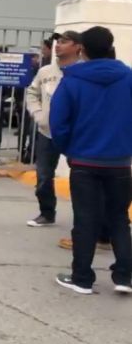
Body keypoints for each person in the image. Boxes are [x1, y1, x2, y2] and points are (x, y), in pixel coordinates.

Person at [50, 26, 132, 296]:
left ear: (82, 50)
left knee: (85, 220)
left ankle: (82, 277)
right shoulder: (128, 78)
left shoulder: (72, 80)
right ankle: (124, 277)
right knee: (119, 218)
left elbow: (58, 122)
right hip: (120, 161)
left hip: (84, 160)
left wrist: (70, 150)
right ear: (111, 47)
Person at [25, 31, 83, 228]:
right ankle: (47, 212)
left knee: (81, 179)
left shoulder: (84, 71)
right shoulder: (45, 72)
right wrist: (38, 114)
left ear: (78, 46)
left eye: (64, 42)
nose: (58, 45)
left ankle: (83, 220)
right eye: (58, 42)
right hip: (47, 132)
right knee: (43, 177)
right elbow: (31, 93)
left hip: (75, 135)